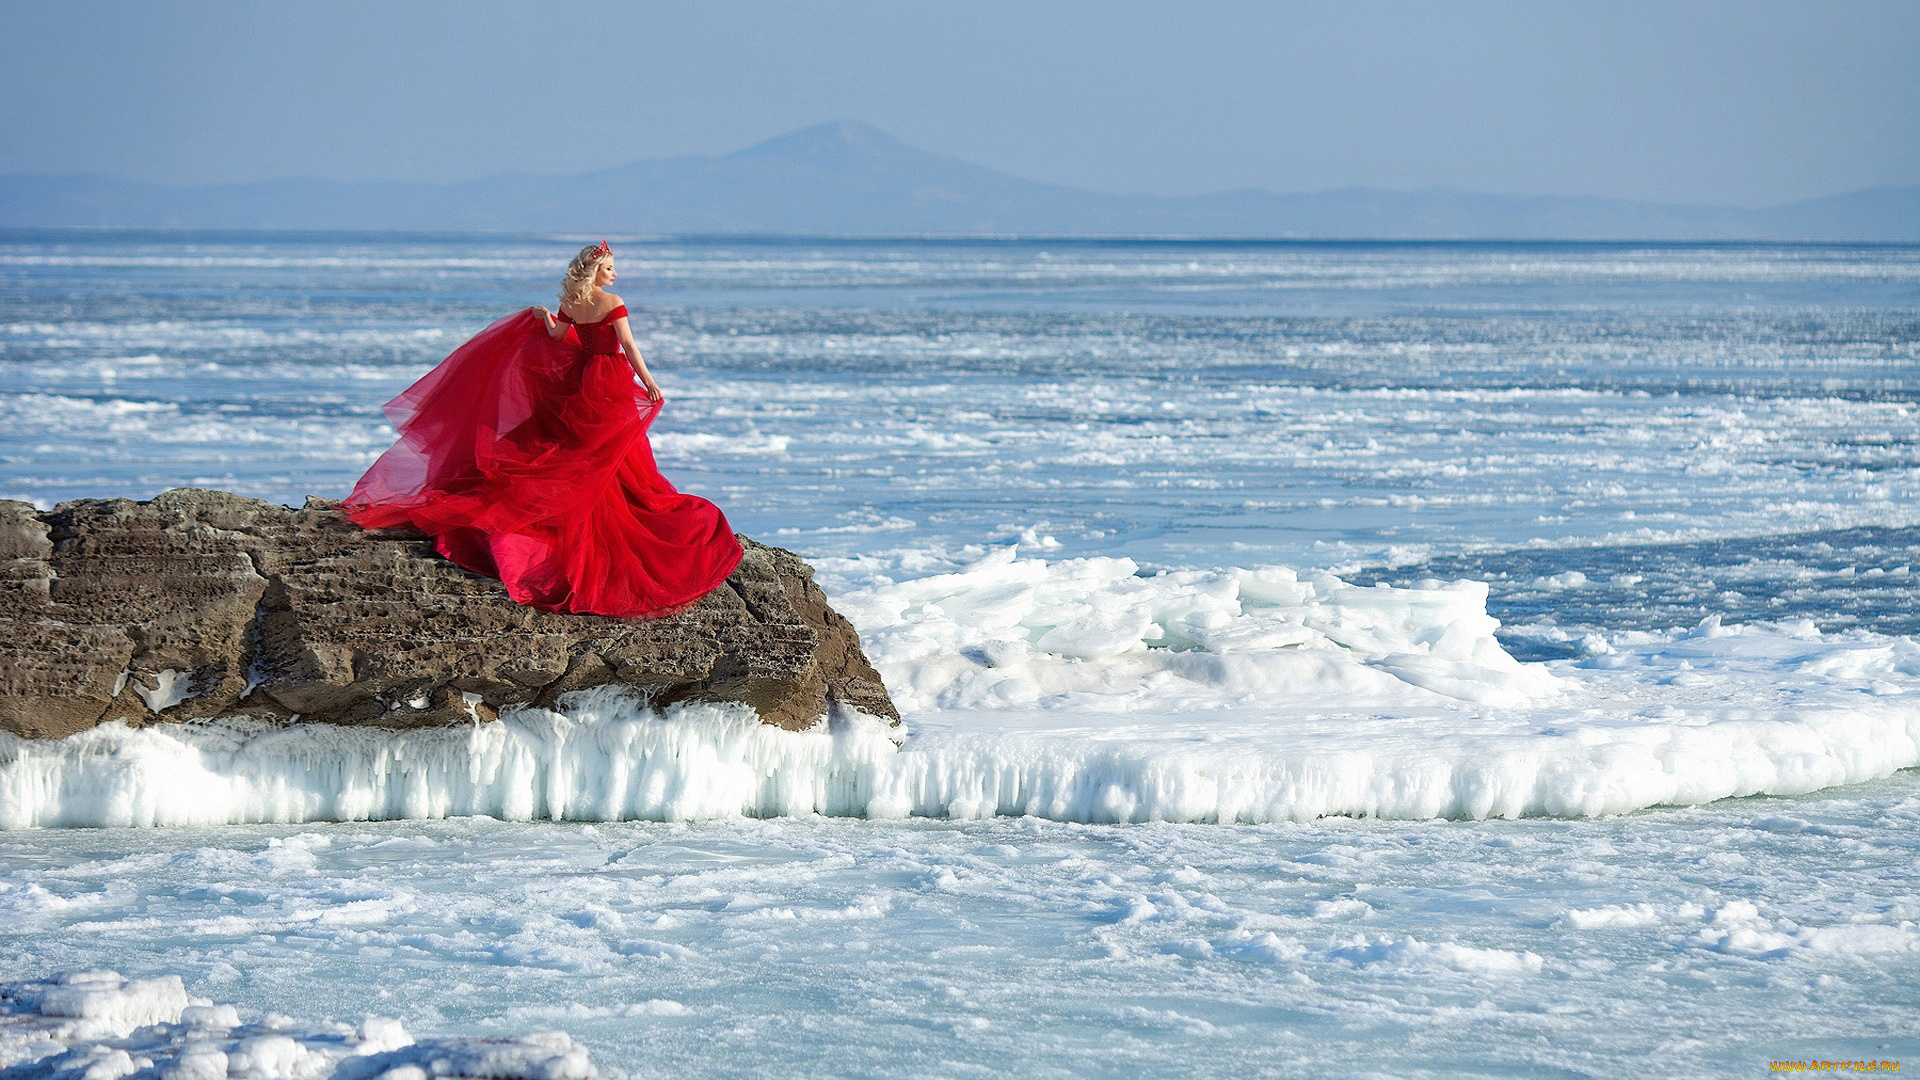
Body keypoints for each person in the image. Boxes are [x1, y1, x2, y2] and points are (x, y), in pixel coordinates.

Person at [344, 240, 743, 617]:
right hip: (608, 380)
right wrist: (649, 382)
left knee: (584, 452)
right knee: (609, 454)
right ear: (595, 270)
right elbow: (628, 347)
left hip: (579, 378)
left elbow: (558, 335)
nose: (614, 274)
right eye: (609, 267)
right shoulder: (613, 303)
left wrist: (544, 317)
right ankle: (602, 514)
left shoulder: (573, 302)